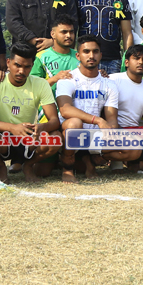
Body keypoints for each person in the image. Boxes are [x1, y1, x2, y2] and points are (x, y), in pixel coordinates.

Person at [0, 42, 61, 183]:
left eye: (27, 67)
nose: (21, 71)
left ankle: (28, 166)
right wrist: (12, 128)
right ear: (8, 63)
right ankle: (1, 168)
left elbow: (54, 120)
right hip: (3, 138)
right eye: (17, 65)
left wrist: (42, 127)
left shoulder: (41, 84)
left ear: (32, 66)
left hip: (29, 137)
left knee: (55, 138)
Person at [54, 34, 120, 182]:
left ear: (101, 55)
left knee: (129, 146)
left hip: (93, 135)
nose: (91, 56)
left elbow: (111, 118)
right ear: (78, 55)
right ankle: (67, 167)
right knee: (74, 123)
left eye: (95, 51)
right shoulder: (68, 79)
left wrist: (110, 135)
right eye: (86, 51)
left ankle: (92, 158)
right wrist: (97, 120)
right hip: (70, 132)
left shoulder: (109, 84)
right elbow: (65, 110)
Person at [74, 0, 133, 75]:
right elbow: (72, 29)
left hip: (112, 60)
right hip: (84, 59)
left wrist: (128, 58)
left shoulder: (120, 0)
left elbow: (127, 33)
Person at [30, 17, 80, 86]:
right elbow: (33, 86)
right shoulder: (41, 57)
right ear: (53, 34)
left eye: (71, 32)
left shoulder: (79, 56)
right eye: (64, 32)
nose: (68, 35)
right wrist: (54, 79)